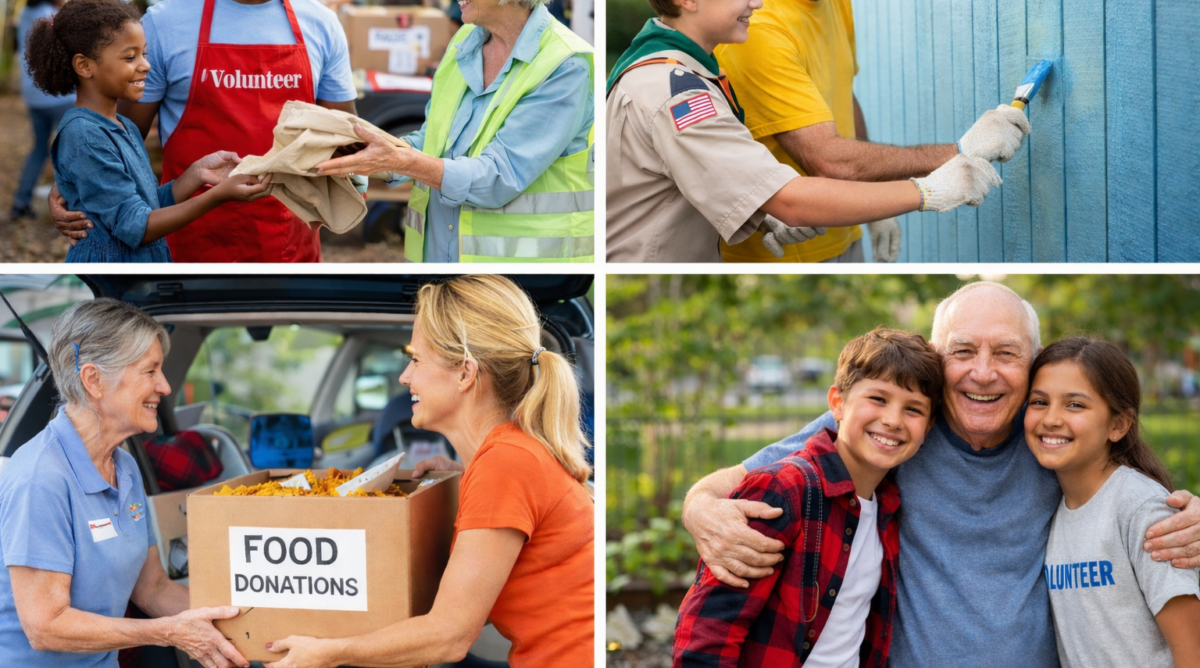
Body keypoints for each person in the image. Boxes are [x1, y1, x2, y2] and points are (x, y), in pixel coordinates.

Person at [681, 281, 1200, 668]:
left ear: (1034, 361)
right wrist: (699, 506)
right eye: (963, 351)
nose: (983, 372)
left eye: (1006, 353)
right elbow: (741, 478)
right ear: (935, 357)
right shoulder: (895, 426)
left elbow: (1122, 487)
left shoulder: (1050, 434)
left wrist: (1188, 513)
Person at [606, 0, 1003, 263]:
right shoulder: (676, 94)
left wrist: (760, 213)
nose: (757, 1)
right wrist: (926, 191)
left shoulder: (679, 70)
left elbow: (698, 177)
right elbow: (791, 199)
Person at [261, 275, 593, 668]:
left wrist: (328, 652)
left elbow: (449, 637)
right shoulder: (510, 455)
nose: (405, 377)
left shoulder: (506, 464)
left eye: (416, 359)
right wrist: (462, 482)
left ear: (465, 373)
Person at [714, 0, 1031, 262]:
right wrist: (958, 152)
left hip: (844, 232)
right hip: (784, 255)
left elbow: (843, 98)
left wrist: (873, 202)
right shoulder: (756, 22)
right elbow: (827, 159)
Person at [50, 0, 358, 263]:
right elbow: (120, 139)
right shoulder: (167, 22)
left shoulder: (322, 24)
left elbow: (346, 138)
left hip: (288, 247)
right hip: (185, 248)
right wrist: (73, 183)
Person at [313, 0, 594, 263]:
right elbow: (433, 142)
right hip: (439, 266)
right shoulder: (465, 41)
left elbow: (498, 177)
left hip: (518, 280)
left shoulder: (566, 63)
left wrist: (401, 161)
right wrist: (363, 154)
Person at [0, 299, 250, 668]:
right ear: (94, 380)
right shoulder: (41, 478)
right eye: (150, 371)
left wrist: (249, 618)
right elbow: (45, 626)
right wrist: (169, 632)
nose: (165, 386)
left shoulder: (125, 467)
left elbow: (153, 589)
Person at [674, 328, 941, 666]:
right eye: (878, 399)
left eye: (913, 409)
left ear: (928, 427)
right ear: (837, 403)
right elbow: (709, 631)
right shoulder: (785, 490)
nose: (892, 420)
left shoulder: (888, 508)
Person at [25, 0, 273, 262]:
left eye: (143, 54)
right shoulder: (85, 135)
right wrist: (217, 196)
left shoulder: (125, 126)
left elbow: (146, 205)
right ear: (84, 66)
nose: (146, 65)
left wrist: (197, 174)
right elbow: (137, 226)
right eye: (130, 57)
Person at [1024, 338, 1200, 667]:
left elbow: (1193, 651)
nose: (1051, 418)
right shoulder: (1053, 508)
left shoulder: (1142, 508)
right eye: (1039, 401)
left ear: (1118, 425)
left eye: (1074, 405)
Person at [11, 0, 76, 221]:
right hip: (58, 96)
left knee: (39, 149)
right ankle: (73, 206)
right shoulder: (50, 17)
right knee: (72, 151)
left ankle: (21, 202)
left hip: (33, 95)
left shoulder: (26, 12)